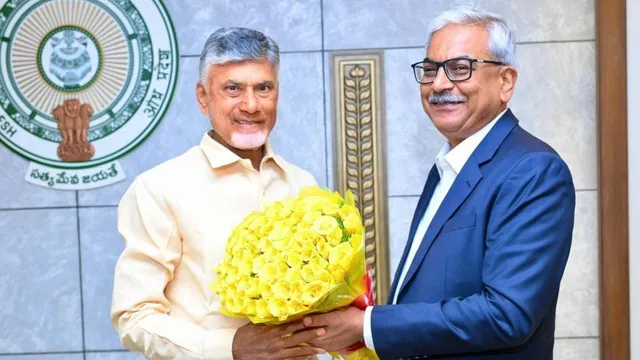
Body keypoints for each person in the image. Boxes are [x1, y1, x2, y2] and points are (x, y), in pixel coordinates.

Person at [302, 7, 576, 360]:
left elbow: (507, 314)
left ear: (506, 81)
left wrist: (368, 326)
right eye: (430, 70)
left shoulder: (533, 170)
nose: (440, 84)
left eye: (461, 68)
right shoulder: (450, 165)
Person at [110, 27, 327, 360]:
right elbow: (134, 317)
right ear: (203, 97)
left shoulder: (302, 184)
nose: (251, 105)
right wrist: (231, 347)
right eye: (232, 89)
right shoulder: (159, 188)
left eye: (263, 88)